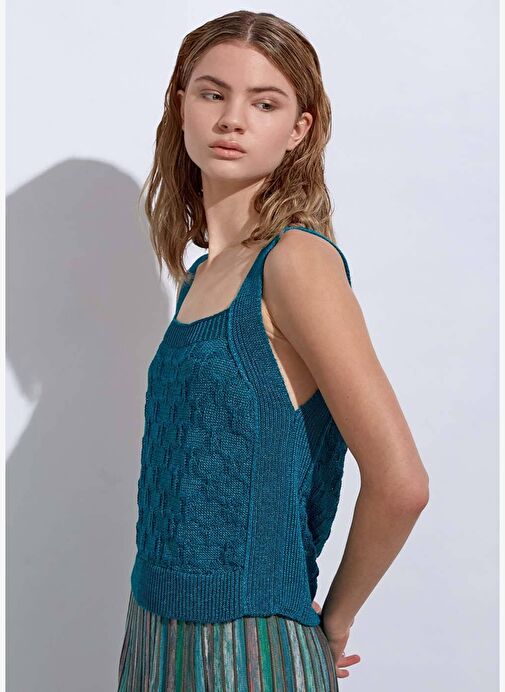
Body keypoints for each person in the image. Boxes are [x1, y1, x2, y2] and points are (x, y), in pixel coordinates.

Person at [117, 10, 430, 690]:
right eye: (213, 93)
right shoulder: (199, 276)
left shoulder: (294, 262)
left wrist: (334, 619)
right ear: (181, 105)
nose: (232, 120)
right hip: (152, 632)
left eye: (264, 104)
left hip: (249, 646)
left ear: (298, 130)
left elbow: (401, 483)